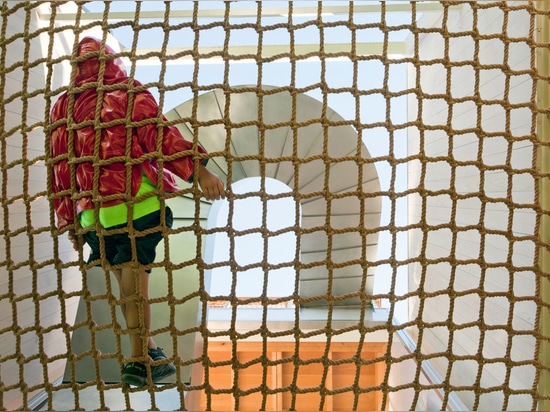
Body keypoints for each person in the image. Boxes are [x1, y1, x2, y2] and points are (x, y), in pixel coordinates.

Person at [49, 36, 225, 386]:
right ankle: (138, 358)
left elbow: (60, 170)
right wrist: (200, 169)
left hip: (92, 217)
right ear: (111, 62)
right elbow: (159, 137)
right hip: (134, 203)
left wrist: (70, 221)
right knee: (135, 287)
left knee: (126, 289)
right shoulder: (126, 92)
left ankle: (152, 353)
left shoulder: (62, 108)